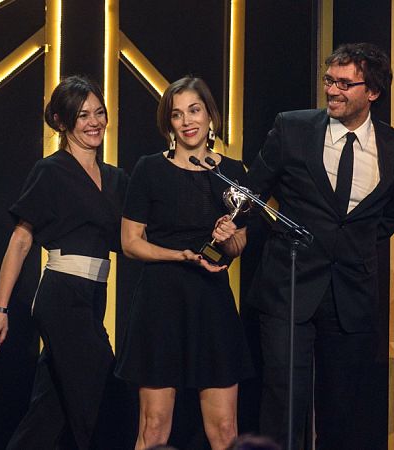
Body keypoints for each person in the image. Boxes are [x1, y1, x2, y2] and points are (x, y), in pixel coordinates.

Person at [245, 43, 394, 449]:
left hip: (351, 295)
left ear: (371, 92)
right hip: (290, 288)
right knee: (284, 405)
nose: (332, 91)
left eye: (344, 83)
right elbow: (253, 193)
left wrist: (351, 247)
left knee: (342, 411)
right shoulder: (293, 127)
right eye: (329, 80)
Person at [0, 75, 129, 450]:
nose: (94, 122)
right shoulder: (51, 170)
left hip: (95, 295)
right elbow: (21, 240)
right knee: (101, 398)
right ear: (62, 123)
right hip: (62, 296)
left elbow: (134, 237)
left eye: (99, 113)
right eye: (82, 116)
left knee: (51, 409)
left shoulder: (115, 179)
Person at [116, 76, 253, 450]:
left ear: (210, 115)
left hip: (212, 302)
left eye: (194, 110)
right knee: (155, 426)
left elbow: (240, 245)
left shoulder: (233, 173)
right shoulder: (149, 169)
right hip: (161, 302)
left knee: (225, 429)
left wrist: (228, 240)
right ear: (169, 123)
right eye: (177, 115)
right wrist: (180, 256)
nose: (187, 121)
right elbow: (130, 243)